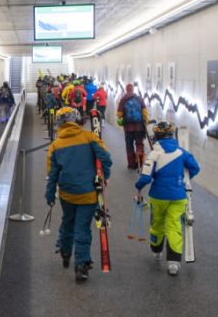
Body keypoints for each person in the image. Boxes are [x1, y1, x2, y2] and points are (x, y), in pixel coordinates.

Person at [45, 107, 113, 282]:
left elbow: (51, 174)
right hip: (88, 193)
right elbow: (106, 158)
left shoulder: (55, 146)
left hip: (67, 194)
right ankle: (81, 266)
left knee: (68, 221)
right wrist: (104, 176)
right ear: (76, 120)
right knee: (82, 228)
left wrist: (50, 195)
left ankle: (66, 251)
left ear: (59, 124)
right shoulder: (89, 137)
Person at [135, 121, 201, 276]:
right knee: (174, 227)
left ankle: (156, 251)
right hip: (179, 197)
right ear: (172, 135)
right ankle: (173, 263)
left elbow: (145, 177)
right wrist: (184, 179)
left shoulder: (154, 153)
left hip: (158, 196)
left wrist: (138, 188)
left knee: (157, 223)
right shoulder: (182, 152)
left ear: (156, 136)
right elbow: (195, 168)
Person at [117, 83, 150, 169]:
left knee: (129, 145)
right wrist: (145, 122)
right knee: (139, 144)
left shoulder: (123, 100)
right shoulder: (139, 99)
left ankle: (131, 164)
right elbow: (145, 112)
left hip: (128, 128)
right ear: (133, 90)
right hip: (139, 127)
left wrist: (121, 119)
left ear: (126, 90)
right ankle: (140, 162)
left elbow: (119, 114)